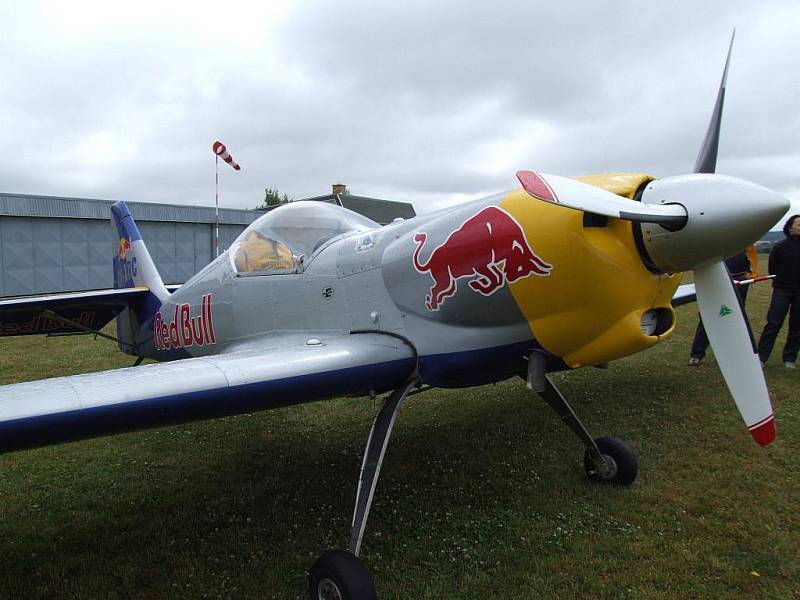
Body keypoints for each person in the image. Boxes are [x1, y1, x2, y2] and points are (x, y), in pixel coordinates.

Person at [687, 250, 752, 366]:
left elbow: (749, 265)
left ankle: (734, 354)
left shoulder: (742, 246)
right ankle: (696, 354)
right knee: (707, 320)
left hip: (740, 284)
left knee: (736, 320)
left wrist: (745, 278)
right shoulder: (716, 247)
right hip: (716, 284)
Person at [757, 214, 800, 368]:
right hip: (782, 289)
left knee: (797, 325)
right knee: (774, 323)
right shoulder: (780, 246)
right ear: (790, 227)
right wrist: (779, 281)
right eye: (798, 224)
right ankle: (761, 357)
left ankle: (789, 358)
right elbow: (772, 268)